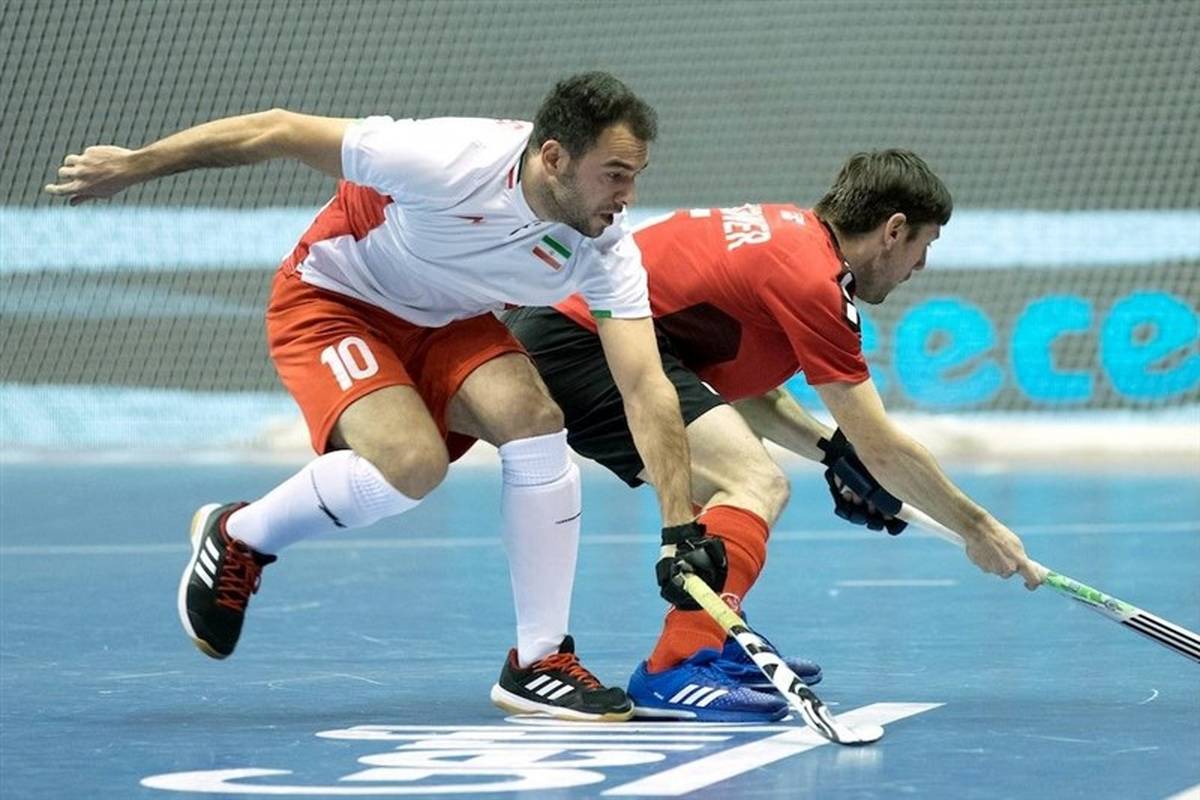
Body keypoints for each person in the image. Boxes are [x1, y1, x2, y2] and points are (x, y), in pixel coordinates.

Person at [44, 72, 730, 722]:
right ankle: (241, 534)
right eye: (615, 174)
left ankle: (539, 659)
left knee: (535, 418)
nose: (627, 194)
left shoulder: (605, 248)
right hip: (335, 300)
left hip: (447, 319)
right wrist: (135, 164)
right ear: (553, 158)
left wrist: (680, 528)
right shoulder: (448, 159)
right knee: (411, 464)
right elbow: (276, 129)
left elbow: (645, 386)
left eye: (635, 175)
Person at [504, 149, 1043, 722]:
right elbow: (882, 447)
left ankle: (709, 634)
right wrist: (977, 528)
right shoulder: (813, 280)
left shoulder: (792, 240)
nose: (922, 265)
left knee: (733, 475)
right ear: (893, 231)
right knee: (752, 482)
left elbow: (755, 397)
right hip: (577, 344)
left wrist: (834, 454)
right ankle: (676, 665)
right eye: (924, 245)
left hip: (576, 333)